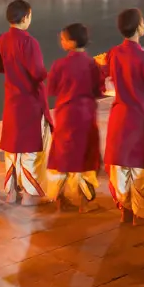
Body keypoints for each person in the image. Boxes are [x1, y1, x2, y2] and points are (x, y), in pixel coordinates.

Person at [102, 9, 144, 224]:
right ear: (139, 27)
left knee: (122, 165)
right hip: (140, 118)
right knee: (143, 167)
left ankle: (125, 209)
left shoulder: (113, 53)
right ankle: (142, 213)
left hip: (119, 116)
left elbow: (103, 75)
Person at [0, 0, 51, 205]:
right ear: (26, 17)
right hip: (30, 100)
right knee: (30, 147)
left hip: (11, 99)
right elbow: (38, 73)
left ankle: (11, 192)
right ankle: (29, 195)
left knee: (12, 147)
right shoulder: (29, 42)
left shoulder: (2, 40)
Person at [47, 23, 103, 212]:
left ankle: (59, 198)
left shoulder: (59, 65)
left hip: (64, 116)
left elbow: (52, 89)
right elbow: (98, 90)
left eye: (63, 39)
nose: (61, 42)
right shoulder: (92, 64)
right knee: (86, 157)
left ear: (71, 42)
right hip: (86, 116)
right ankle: (85, 202)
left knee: (61, 156)